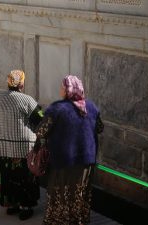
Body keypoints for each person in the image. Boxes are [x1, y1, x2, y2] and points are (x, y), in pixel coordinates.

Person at [35, 75, 104, 225]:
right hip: (86, 161)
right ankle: (78, 220)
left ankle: (59, 221)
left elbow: (41, 131)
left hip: (63, 161)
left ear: (67, 90)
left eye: (62, 87)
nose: (60, 89)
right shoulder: (91, 107)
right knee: (80, 191)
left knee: (60, 191)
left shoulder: (56, 109)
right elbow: (100, 128)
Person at [0, 70, 43, 220]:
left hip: (1, 147)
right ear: (21, 83)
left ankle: (12, 204)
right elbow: (40, 119)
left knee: (7, 176)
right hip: (22, 148)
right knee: (24, 177)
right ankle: (25, 207)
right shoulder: (27, 100)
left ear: (9, 82)